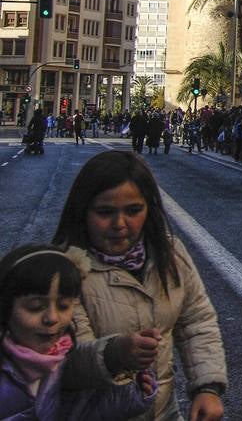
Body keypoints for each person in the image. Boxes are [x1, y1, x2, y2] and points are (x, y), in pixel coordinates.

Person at [53, 151, 228, 420]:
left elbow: (196, 323)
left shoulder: (170, 253)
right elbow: (64, 363)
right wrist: (114, 354)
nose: (119, 224)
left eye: (133, 211)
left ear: (149, 208)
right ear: (83, 211)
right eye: (105, 212)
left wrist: (208, 388)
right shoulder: (65, 270)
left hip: (165, 411)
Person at [0, 243, 157, 420]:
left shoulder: (55, 358)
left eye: (63, 306)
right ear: (5, 308)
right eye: (35, 307)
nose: (52, 317)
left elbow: (70, 412)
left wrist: (133, 396)